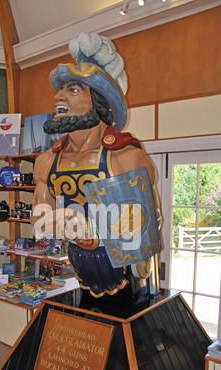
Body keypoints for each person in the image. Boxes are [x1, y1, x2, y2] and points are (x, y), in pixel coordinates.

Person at [31, 33, 161, 298]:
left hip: (127, 271)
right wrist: (64, 220)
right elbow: (38, 221)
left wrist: (90, 226)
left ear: (98, 101)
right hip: (79, 263)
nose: (59, 96)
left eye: (73, 89)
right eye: (60, 89)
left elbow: (148, 222)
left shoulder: (126, 156)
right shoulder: (47, 161)